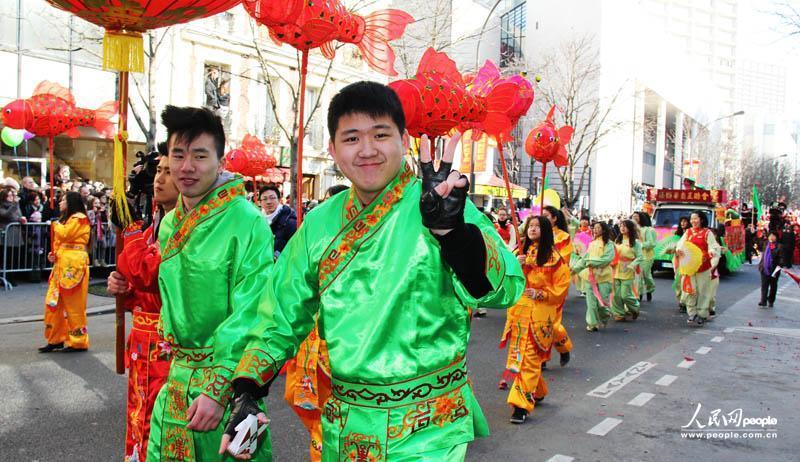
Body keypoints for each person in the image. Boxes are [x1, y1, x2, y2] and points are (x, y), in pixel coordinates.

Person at [222, 81, 524, 461]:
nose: (366, 150)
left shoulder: (440, 203)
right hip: (345, 427)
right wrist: (248, 388)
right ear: (332, 149)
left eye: (380, 135)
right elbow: (280, 316)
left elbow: (505, 289)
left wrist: (455, 236)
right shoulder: (318, 225)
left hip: (428, 428)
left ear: (403, 138)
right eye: (351, 139)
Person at [145, 106, 275, 462]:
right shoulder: (171, 224)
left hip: (228, 384)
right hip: (176, 383)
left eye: (200, 156)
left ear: (220, 160)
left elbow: (254, 311)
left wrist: (220, 388)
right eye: (178, 155)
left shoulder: (247, 222)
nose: (187, 167)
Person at [107, 150, 179, 462]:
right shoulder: (155, 227)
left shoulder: (183, 228)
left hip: (167, 344)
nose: (159, 180)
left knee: (160, 424)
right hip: (144, 343)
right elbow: (139, 284)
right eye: (158, 171)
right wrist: (124, 289)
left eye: (167, 172)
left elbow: (149, 273)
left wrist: (132, 232)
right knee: (140, 419)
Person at [499, 215, 569, 424]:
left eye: (538, 227)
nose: (533, 229)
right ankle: (537, 391)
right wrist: (513, 264)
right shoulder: (518, 252)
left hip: (539, 316)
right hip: (518, 313)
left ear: (546, 231)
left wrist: (541, 294)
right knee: (522, 357)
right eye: (531, 226)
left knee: (528, 358)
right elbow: (503, 277)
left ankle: (521, 405)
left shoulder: (553, 258)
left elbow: (561, 287)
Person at [40, 191, 90, 352]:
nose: (60, 202)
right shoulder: (66, 220)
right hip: (61, 265)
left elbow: (66, 235)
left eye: (63, 200)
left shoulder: (79, 218)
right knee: (53, 303)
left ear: (71, 202)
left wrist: (55, 225)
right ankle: (55, 338)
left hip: (73, 266)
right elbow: (61, 240)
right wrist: (54, 254)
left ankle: (78, 341)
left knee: (74, 306)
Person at [675, 211, 721, 326]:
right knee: (690, 290)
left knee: (703, 291)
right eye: (691, 219)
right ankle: (692, 313)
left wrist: (712, 252)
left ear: (701, 219)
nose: (693, 221)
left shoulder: (707, 233)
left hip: (704, 267)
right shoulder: (688, 232)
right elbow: (680, 244)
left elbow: (713, 246)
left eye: (695, 219)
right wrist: (679, 250)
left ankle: (702, 314)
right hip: (689, 266)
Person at [541, 205, 573, 366]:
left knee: (552, 323)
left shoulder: (563, 237)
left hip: (555, 285)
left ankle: (563, 347)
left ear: (554, 218)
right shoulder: (535, 234)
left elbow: (562, 260)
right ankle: (541, 358)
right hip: (536, 284)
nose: (543, 219)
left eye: (546, 216)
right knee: (538, 322)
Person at [571, 221, 615, 332]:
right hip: (590, 277)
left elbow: (607, 259)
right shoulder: (592, 243)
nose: (595, 230)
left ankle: (604, 316)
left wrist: (592, 262)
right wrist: (574, 269)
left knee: (602, 303)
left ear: (604, 230)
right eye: (594, 228)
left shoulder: (609, 244)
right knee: (591, 303)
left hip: (604, 277)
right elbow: (585, 259)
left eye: (598, 228)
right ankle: (592, 323)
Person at [612, 219, 643, 322]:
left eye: (625, 226)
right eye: (621, 226)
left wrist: (632, 265)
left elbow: (639, 257)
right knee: (616, 294)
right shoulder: (617, 240)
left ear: (630, 228)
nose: (622, 228)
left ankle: (635, 308)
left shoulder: (636, 243)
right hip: (616, 269)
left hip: (628, 270)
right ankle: (619, 313)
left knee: (625, 294)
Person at [258, 185, 297, 259]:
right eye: (264, 199)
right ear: (260, 202)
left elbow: (295, 249)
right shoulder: (258, 221)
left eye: (272, 198)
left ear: (279, 200)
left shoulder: (290, 222)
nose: (268, 202)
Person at [632, 211, 656, 301]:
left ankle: (650, 289)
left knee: (646, 275)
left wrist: (641, 244)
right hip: (635, 256)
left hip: (646, 256)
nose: (634, 218)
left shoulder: (647, 230)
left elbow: (652, 243)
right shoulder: (631, 229)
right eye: (633, 216)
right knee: (638, 275)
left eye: (636, 216)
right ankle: (639, 293)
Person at [758, 231, 783, 308]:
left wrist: (780, 265)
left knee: (773, 286)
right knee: (764, 285)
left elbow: (781, 258)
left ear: (776, 237)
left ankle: (771, 300)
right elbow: (758, 245)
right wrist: (761, 236)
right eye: (770, 236)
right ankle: (763, 301)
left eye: (773, 236)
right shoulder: (765, 244)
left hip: (774, 269)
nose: (771, 237)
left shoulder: (779, 246)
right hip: (764, 268)